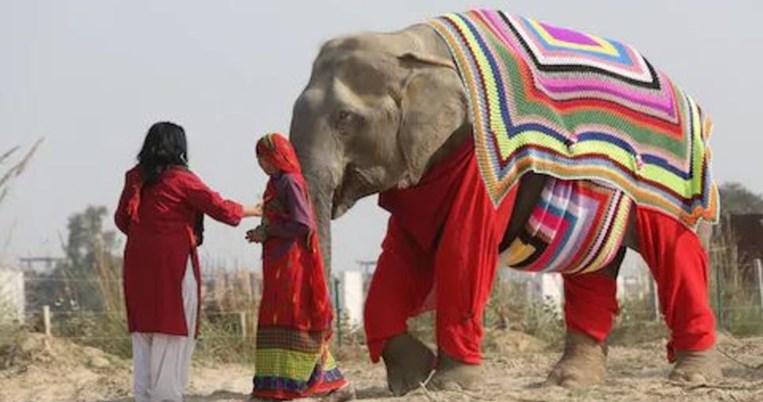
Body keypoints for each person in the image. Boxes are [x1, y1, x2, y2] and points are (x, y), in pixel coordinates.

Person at [115, 121, 261, 402]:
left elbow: (122, 220)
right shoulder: (181, 179)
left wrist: (147, 236)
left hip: (137, 261)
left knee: (144, 331)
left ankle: (144, 396)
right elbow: (218, 206)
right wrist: (253, 210)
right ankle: (166, 396)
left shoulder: (134, 176)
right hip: (173, 261)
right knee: (173, 326)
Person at [247, 132, 354, 402]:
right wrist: (263, 232)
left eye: (264, 158)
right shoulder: (276, 183)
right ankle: (328, 386)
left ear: (277, 156)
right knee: (278, 319)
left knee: (296, 321)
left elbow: (303, 224)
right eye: (259, 159)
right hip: (278, 264)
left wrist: (268, 231)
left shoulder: (290, 182)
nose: (261, 164)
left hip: (292, 264)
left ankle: (287, 389)